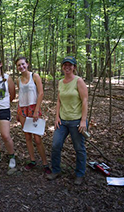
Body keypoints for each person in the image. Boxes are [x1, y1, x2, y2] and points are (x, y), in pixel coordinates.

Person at [46, 56, 88, 185]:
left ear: (74, 67)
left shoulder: (78, 81)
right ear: (62, 67)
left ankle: (80, 174)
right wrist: (57, 117)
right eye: (65, 65)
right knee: (56, 145)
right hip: (63, 121)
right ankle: (56, 170)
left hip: (76, 121)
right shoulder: (60, 82)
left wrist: (83, 121)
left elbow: (85, 100)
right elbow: (59, 100)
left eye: (70, 65)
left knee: (79, 148)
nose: (67, 67)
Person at [15, 57, 52, 174]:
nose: (21, 67)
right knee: (27, 137)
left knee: (37, 138)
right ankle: (32, 160)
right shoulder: (18, 79)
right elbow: (20, 95)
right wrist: (18, 110)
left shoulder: (34, 76)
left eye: (23, 64)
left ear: (27, 64)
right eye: (18, 65)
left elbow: (41, 93)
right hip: (22, 109)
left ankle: (45, 163)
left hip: (33, 108)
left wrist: (36, 110)